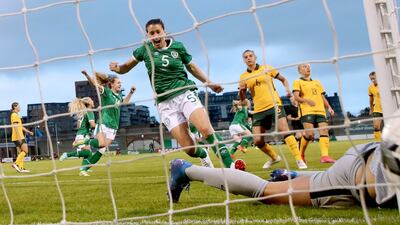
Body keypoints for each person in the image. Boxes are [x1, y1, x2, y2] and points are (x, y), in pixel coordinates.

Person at [168, 110, 400, 208]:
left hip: (369, 157)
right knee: (266, 192)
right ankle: (186, 170)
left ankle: (295, 172)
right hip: (357, 174)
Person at [109, 18, 243, 170]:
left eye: (158, 32)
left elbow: (191, 67)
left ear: (164, 32)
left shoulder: (178, 47)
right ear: (147, 36)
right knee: (190, 149)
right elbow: (126, 67)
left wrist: (209, 83)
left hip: (184, 92)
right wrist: (117, 69)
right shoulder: (144, 50)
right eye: (151, 33)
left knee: (205, 129)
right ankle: (203, 153)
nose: (155, 36)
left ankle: (231, 166)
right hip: (165, 104)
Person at [239, 50, 307, 170]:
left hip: (274, 104)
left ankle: (299, 159)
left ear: (255, 57)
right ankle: (274, 157)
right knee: (258, 140)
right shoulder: (243, 77)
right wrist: (241, 91)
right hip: (259, 110)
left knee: (284, 130)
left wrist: (287, 90)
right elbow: (243, 100)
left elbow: (283, 79)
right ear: (244, 60)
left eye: (250, 56)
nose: (248, 58)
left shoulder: (267, 68)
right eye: (246, 57)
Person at [73, 70, 136, 176]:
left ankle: (84, 169)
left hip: (113, 126)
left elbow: (124, 102)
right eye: (118, 83)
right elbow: (94, 84)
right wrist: (86, 75)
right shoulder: (106, 92)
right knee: (101, 144)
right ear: (111, 84)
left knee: (102, 149)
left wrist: (131, 92)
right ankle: (84, 141)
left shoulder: (119, 96)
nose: (120, 84)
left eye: (120, 83)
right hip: (103, 123)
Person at [293, 63, 335, 163]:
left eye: (308, 67)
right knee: (310, 135)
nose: (307, 68)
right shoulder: (297, 82)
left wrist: (329, 107)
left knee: (324, 131)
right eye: (304, 66)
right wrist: (307, 101)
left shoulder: (317, 82)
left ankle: (325, 156)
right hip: (307, 111)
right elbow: (296, 97)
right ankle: (301, 154)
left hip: (320, 111)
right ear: (299, 71)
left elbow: (322, 97)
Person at [59, 97, 96, 176]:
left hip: (83, 135)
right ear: (89, 103)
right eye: (91, 100)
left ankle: (84, 168)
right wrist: (100, 126)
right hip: (82, 136)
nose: (93, 101)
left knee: (88, 153)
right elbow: (93, 125)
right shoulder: (89, 112)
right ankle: (67, 155)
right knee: (88, 153)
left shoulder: (84, 112)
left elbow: (79, 126)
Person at [10, 102, 34, 173]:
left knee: (21, 152)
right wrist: (19, 136)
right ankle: (16, 164)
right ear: (15, 107)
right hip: (18, 137)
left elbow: (20, 126)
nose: (20, 107)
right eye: (19, 106)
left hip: (17, 137)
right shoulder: (14, 115)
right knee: (25, 150)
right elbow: (15, 126)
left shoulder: (16, 115)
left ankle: (21, 168)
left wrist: (28, 132)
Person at [368, 71, 383, 141]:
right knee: (376, 127)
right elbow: (371, 99)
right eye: (371, 79)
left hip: (387, 108)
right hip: (377, 109)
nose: (373, 80)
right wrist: (371, 109)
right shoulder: (370, 87)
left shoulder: (384, 84)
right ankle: (378, 144)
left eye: (374, 78)